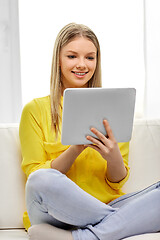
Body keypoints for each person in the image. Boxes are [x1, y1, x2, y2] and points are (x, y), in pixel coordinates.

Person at [19, 23, 160, 240]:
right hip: (51, 213)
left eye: (90, 57)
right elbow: (34, 178)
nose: (82, 65)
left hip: (104, 203)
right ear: (58, 59)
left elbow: (116, 182)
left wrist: (112, 155)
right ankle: (121, 222)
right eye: (72, 56)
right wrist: (75, 148)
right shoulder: (34, 110)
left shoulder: (113, 107)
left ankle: (84, 236)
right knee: (41, 179)